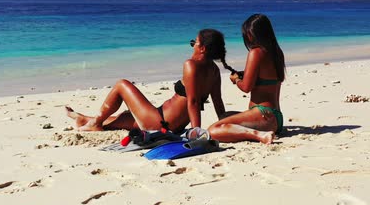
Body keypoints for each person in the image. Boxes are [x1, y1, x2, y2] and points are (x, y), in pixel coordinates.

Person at [66, 29, 234, 134]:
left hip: (160, 121)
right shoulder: (214, 71)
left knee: (121, 85)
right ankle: (84, 119)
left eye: (194, 43)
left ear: (202, 48)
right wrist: (226, 123)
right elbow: (218, 105)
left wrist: (196, 131)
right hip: (171, 124)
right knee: (125, 117)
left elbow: (193, 101)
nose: (192, 46)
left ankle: (94, 123)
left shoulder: (191, 65)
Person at [208, 14, 286, 144]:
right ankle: (261, 133)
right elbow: (268, 78)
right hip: (276, 117)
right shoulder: (277, 52)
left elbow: (246, 87)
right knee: (225, 117)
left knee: (213, 130)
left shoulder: (256, 52)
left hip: (263, 114)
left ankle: (259, 135)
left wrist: (236, 80)